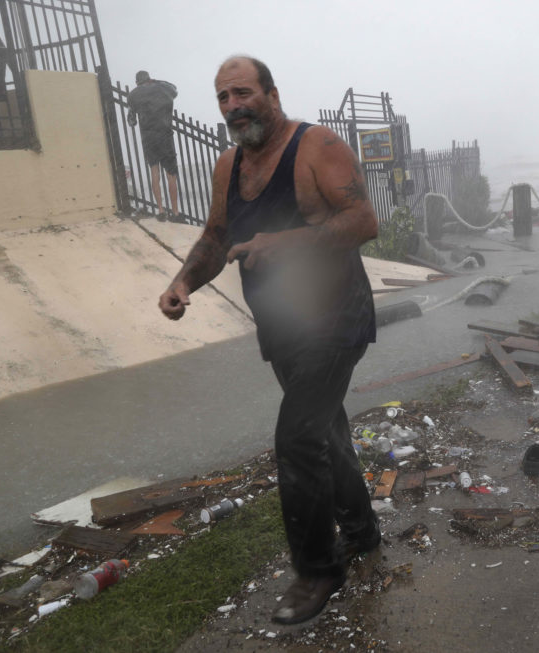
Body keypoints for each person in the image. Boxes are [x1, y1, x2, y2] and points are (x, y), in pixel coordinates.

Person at [157, 56, 380, 625]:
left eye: (242, 93)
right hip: (281, 328)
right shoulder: (227, 164)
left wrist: (287, 244)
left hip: (336, 320)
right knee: (326, 431)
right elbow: (215, 235)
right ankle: (362, 530)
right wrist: (183, 282)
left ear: (271, 94)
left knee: (298, 438)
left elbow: (363, 221)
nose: (233, 105)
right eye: (223, 97)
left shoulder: (316, 146)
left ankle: (318, 572)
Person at [127, 70, 180, 220]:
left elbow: (131, 121)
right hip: (165, 135)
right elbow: (174, 89)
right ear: (149, 79)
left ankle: (161, 210)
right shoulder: (164, 89)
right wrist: (155, 82)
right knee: (171, 175)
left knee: (154, 172)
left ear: (137, 82)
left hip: (148, 138)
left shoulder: (133, 96)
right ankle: (175, 213)